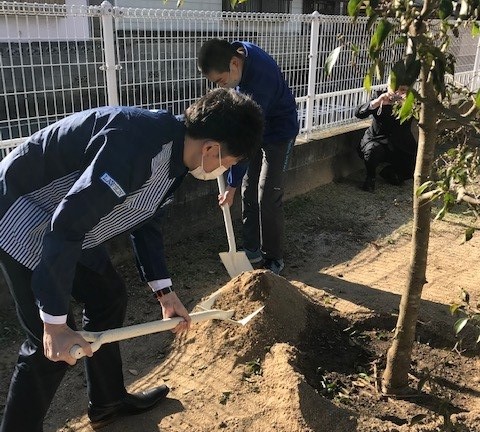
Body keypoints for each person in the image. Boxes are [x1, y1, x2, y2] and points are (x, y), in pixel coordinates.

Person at [0, 88, 263, 432]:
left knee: (107, 295)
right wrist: (54, 324)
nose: (223, 171)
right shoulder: (138, 145)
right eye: (227, 164)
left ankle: (107, 401)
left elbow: (146, 217)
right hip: (22, 211)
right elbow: (66, 224)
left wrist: (164, 292)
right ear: (211, 149)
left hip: (69, 223)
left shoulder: (179, 156)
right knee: (47, 349)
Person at [197, 39, 299, 275]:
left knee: (268, 195)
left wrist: (229, 185)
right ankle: (251, 249)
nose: (222, 87)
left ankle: (274, 257)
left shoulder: (259, 82)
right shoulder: (239, 53)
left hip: (279, 133)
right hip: (257, 127)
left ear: (234, 64)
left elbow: (246, 141)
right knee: (248, 187)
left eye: (221, 81)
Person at [355, 85, 418, 192]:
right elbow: (359, 113)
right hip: (377, 140)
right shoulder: (381, 96)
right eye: (397, 90)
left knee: (410, 171)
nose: (399, 94)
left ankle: (390, 172)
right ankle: (370, 177)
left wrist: (410, 105)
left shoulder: (414, 101)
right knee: (372, 151)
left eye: (404, 91)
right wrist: (376, 103)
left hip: (401, 143)